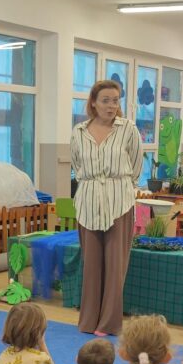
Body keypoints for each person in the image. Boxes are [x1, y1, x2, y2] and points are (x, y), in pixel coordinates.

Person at [70, 79, 143, 336]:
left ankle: (109, 323)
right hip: (88, 202)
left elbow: (136, 166)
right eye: (105, 101)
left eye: (115, 100)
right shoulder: (79, 131)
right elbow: (77, 166)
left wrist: (119, 187)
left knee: (115, 266)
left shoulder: (128, 129)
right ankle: (89, 320)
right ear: (93, 103)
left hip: (119, 202)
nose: (111, 106)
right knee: (91, 266)